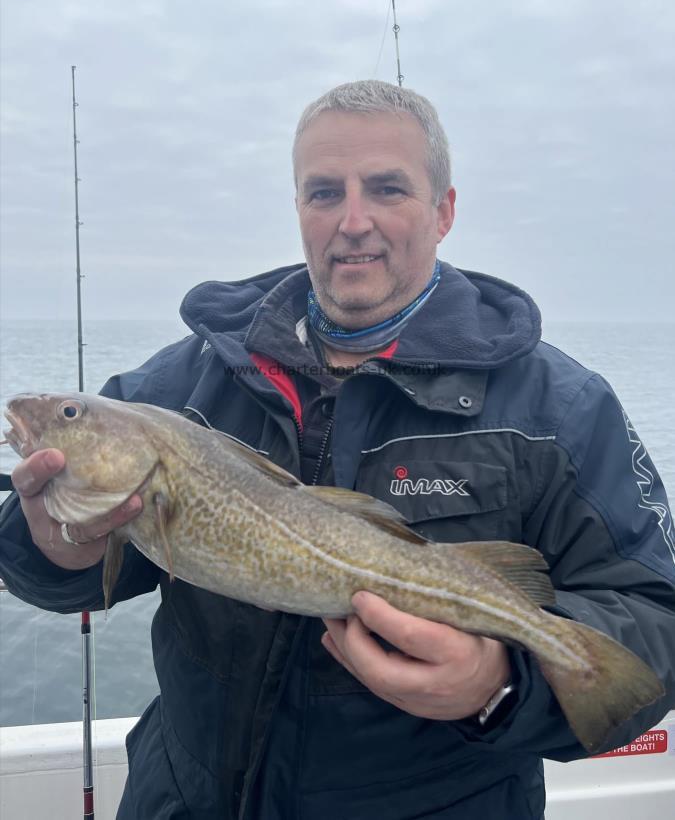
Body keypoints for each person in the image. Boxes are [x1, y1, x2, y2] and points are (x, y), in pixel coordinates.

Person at [1, 80, 674, 820]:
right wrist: (55, 543)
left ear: (444, 211)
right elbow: (53, 567)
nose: (352, 221)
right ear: (298, 210)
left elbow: (652, 618)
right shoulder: (178, 385)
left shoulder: (563, 408)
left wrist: (499, 683)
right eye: (323, 193)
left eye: (386, 188)